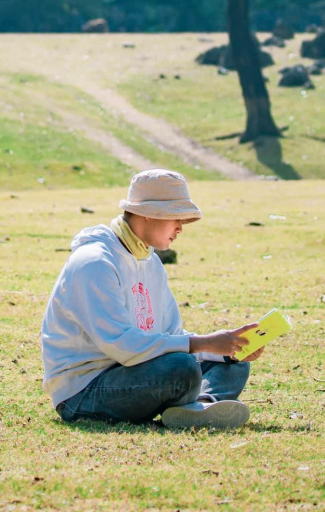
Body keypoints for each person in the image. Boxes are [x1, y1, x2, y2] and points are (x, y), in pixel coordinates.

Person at [41, 168, 264, 429]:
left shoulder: (151, 262)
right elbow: (123, 346)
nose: (181, 228)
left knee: (234, 364)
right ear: (147, 214)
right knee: (181, 367)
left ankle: (201, 406)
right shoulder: (94, 262)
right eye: (176, 217)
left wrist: (226, 348)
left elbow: (171, 334)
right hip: (85, 390)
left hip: (138, 371)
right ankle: (194, 404)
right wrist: (206, 343)